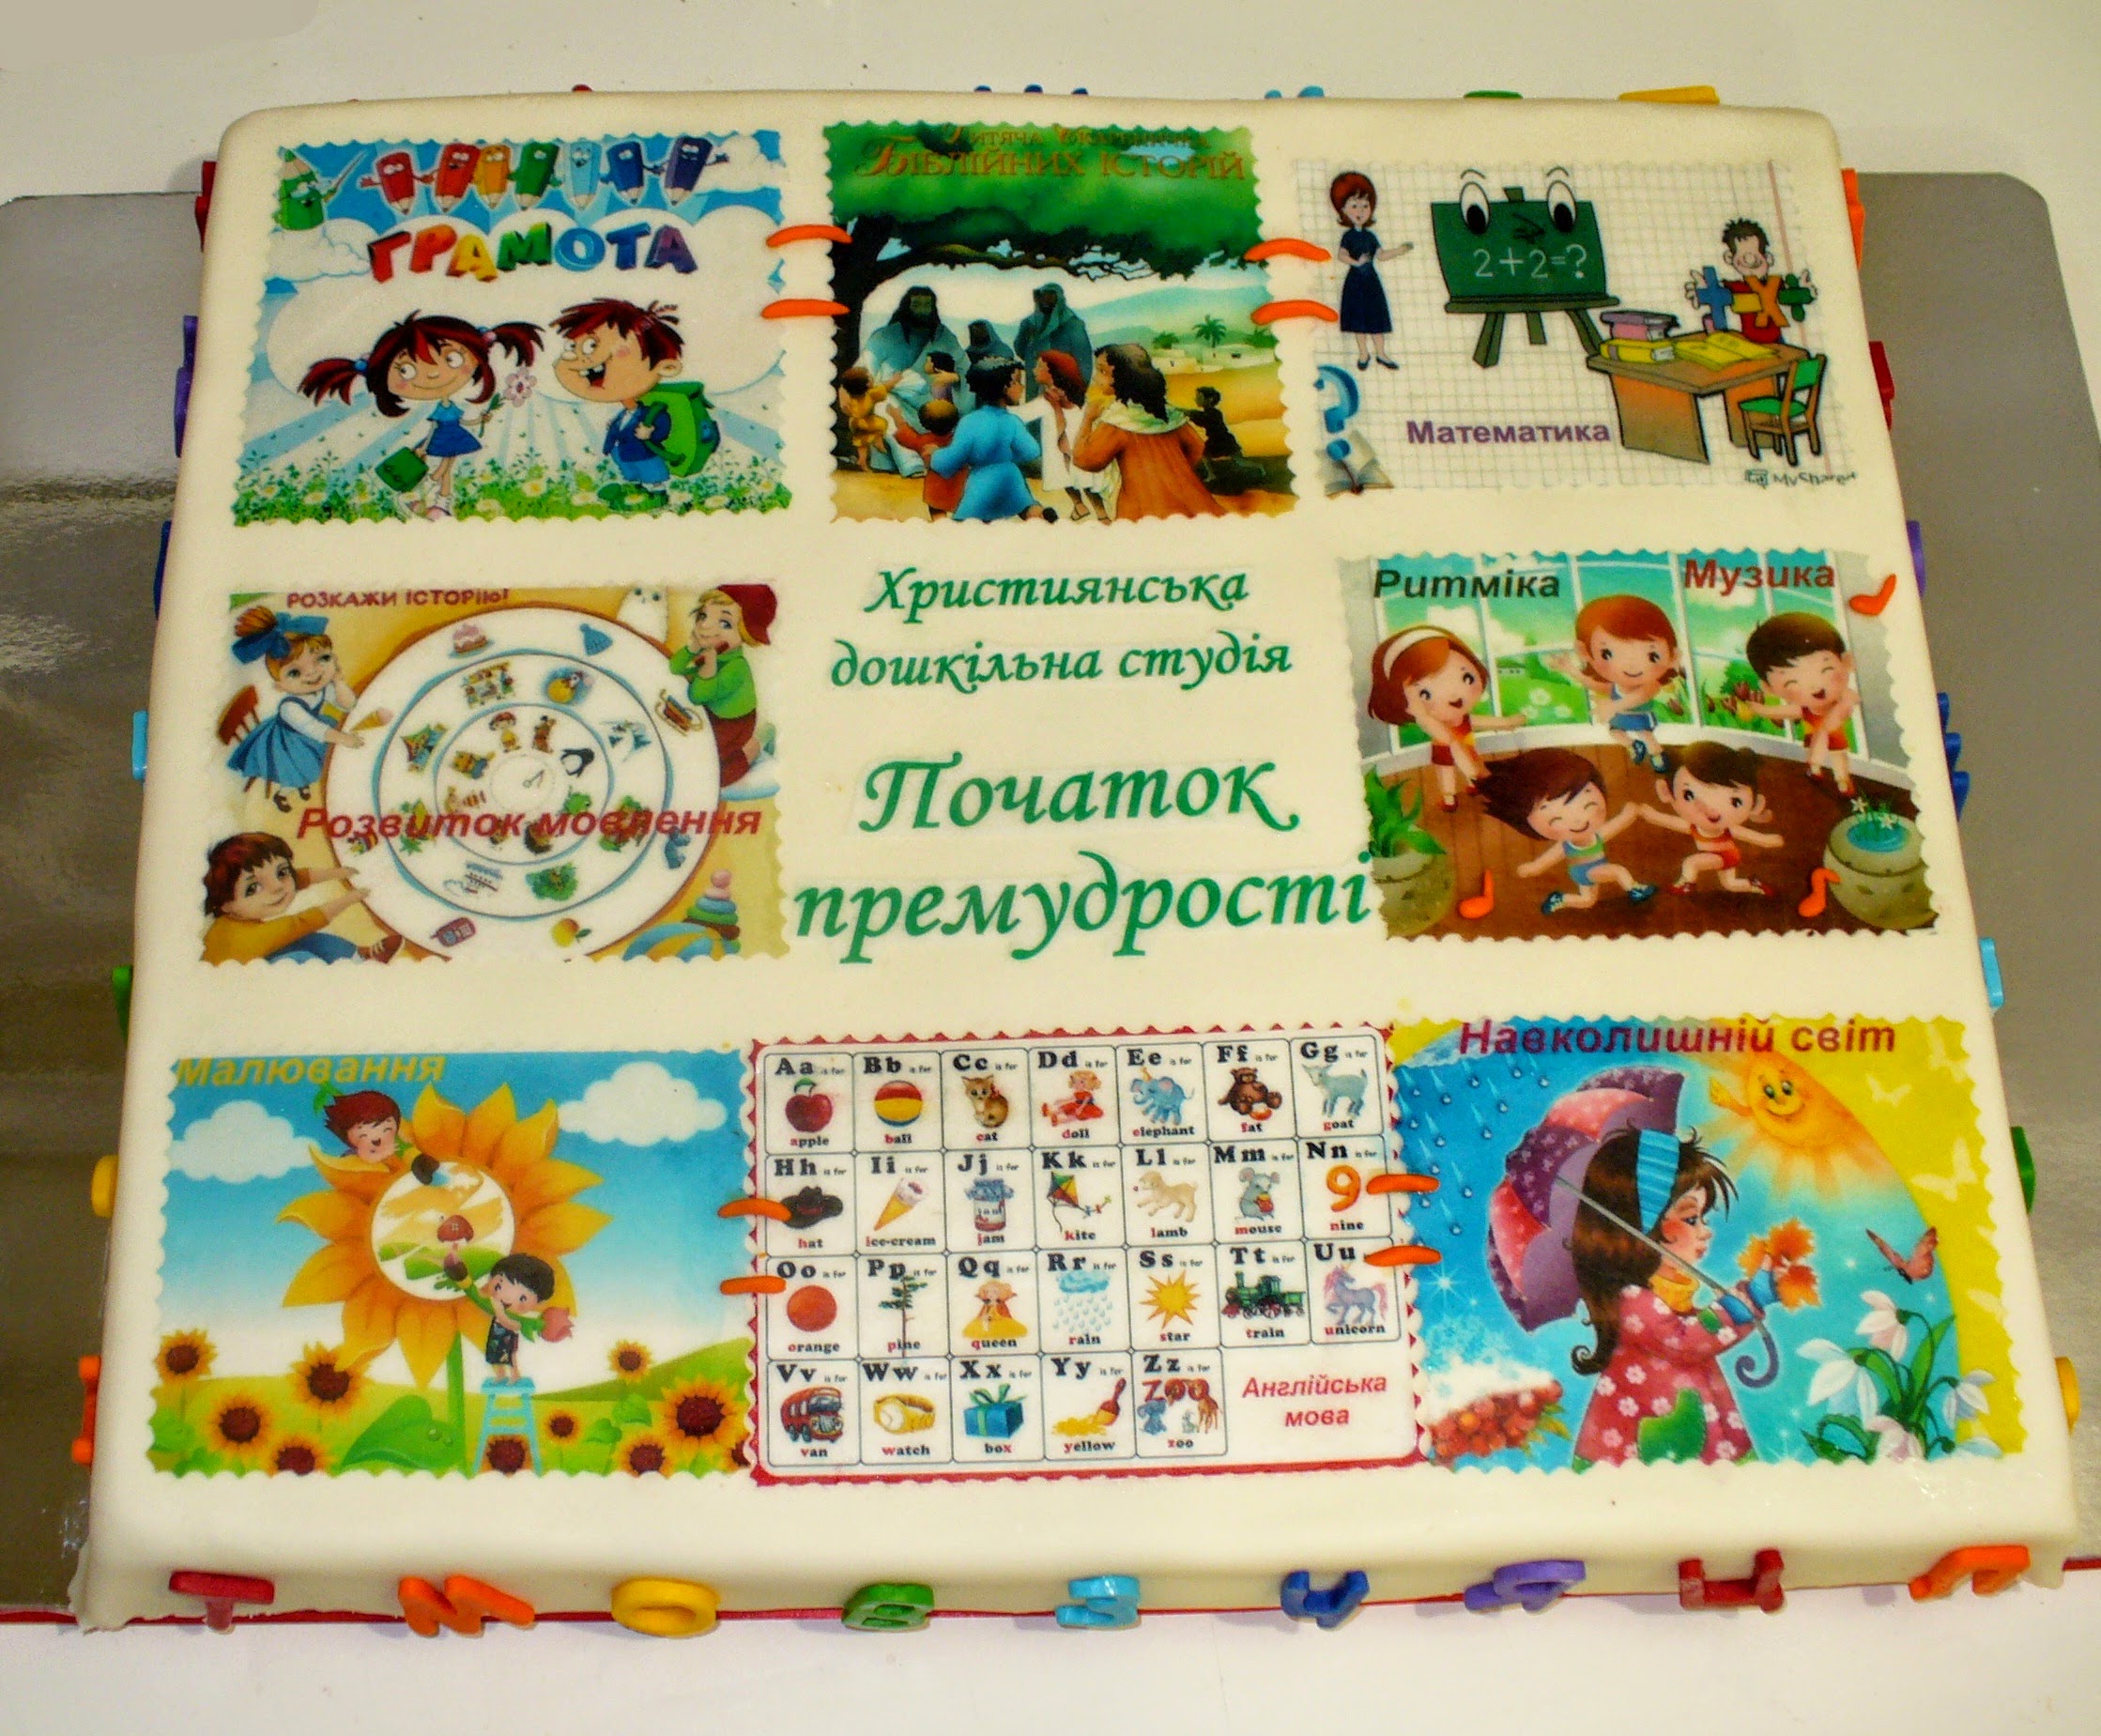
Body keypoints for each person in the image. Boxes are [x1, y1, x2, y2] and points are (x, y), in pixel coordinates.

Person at [1569, 1126, 1761, 1466]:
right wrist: (1746, 1303)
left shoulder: (1668, 1292)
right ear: (1640, 1228)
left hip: (1697, 1424)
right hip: (1647, 1440)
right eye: (1691, 1218)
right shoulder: (1634, 1301)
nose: (1706, 1231)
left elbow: (1692, 1329)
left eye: (1703, 1217)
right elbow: (1685, 1341)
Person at [300, 314, 542, 518]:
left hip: (451, 437)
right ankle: (428, 500)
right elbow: (435, 427)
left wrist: (480, 420)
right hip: (441, 438)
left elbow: (457, 422)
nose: (434, 375)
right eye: (406, 370)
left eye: (452, 359)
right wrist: (424, 447)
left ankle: (441, 503)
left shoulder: (450, 406)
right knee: (438, 468)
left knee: (444, 468)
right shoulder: (441, 409)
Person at [220, 607, 381, 809]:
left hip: (311, 735)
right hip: (287, 745)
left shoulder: (322, 689)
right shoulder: (290, 708)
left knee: (317, 761)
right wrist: (344, 739)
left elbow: (348, 704)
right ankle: (282, 794)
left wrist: (339, 682)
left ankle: (302, 783)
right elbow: (315, 730)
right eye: (295, 673)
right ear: (280, 686)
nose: (312, 673)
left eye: (322, 659)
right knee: (304, 769)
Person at [1365, 625, 1525, 809]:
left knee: (1472, 762)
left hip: (1466, 744)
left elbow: (1477, 721)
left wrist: (1507, 723)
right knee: (1446, 771)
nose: (1455, 697)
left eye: (1467, 678)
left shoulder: (1462, 719)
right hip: (1445, 748)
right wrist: (1421, 714)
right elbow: (1448, 740)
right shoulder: (1432, 723)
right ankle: (1449, 797)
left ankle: (1472, 785)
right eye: (1425, 694)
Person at [1478, 749, 1656, 914]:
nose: (1578, 821)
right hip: (1586, 870)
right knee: (1618, 871)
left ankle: (1560, 899)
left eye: (1588, 805)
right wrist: (1534, 867)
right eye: (1556, 819)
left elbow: (1616, 825)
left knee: (1587, 901)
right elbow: (1549, 858)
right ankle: (1635, 889)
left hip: (1586, 870)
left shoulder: (1594, 835)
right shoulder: (1569, 844)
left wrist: (1627, 814)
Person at [550, 298, 686, 511]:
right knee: (631, 473)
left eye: (592, 346)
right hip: (624, 454)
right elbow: (618, 428)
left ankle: (658, 494)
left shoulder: (653, 411)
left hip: (644, 454)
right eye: (573, 346)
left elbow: (662, 423)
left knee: (651, 473)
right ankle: (635, 491)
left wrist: (651, 432)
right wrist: (610, 441)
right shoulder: (622, 414)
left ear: (665, 367)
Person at [1071, 344, 1219, 522]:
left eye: (1103, 371)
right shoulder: (1167, 413)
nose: (1096, 378)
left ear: (1124, 377)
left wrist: (1088, 419)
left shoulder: (1119, 421)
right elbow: (1197, 450)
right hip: (1190, 502)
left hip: (1142, 508)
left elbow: (1084, 460)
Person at [201, 833, 399, 962]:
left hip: (259, 958)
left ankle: (359, 958)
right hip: (243, 988)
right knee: (300, 959)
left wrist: (339, 873)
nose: (277, 887)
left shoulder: (238, 915)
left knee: (313, 941)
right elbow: (301, 923)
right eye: (253, 888)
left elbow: (297, 878)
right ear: (225, 904)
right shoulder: (249, 936)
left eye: (281, 873)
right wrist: (351, 898)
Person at [1553, 593, 1682, 774]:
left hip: (1641, 716)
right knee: (1614, 732)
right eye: (1607, 654)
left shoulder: (1651, 684)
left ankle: (1657, 755)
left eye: (1652, 656)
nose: (1630, 666)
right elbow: (1596, 685)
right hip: (1620, 716)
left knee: (1645, 734)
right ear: (1585, 653)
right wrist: (1571, 670)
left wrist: (1613, 706)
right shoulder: (1616, 685)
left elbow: (1639, 697)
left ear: (1673, 656)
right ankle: (1633, 745)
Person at [1639, 742, 1784, 896]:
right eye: (1689, 795)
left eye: (1735, 802)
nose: (1712, 810)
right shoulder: (1694, 826)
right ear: (1666, 791)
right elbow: (1671, 822)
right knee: (1731, 885)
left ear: (1755, 805)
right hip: (1719, 856)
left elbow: (1749, 835)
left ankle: (1686, 884)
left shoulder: (1726, 828)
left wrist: (1767, 840)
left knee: (1691, 863)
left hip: (1725, 856)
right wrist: (1651, 815)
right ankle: (1754, 885)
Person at [668, 585, 775, 788]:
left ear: (744, 633)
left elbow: (697, 695)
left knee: (716, 775)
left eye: (725, 623)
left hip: (733, 724)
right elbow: (674, 668)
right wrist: (691, 649)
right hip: (712, 711)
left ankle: (757, 744)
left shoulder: (737, 667)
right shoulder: (714, 653)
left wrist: (708, 667)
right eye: (703, 616)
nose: (705, 626)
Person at [1744, 612, 1860, 793]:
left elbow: (1849, 704)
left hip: (1833, 733)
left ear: (1846, 662)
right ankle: (1815, 769)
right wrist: (1762, 710)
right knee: (1813, 752)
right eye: (1792, 682)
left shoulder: (1844, 698)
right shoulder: (1806, 708)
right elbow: (1785, 711)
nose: (1815, 686)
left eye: (1826, 670)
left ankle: (1842, 780)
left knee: (1838, 755)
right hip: (1814, 734)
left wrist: (1836, 716)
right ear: (1769, 688)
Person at [932, 359, 1055, 522]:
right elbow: (1031, 451)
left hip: (983, 480)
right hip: (1010, 475)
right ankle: (1038, 513)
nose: (1022, 387)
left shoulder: (970, 421)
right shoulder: (1013, 421)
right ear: (1004, 388)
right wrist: (1007, 456)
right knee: (1024, 504)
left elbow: (953, 458)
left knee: (968, 519)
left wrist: (935, 456)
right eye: (1017, 382)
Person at [1329, 171, 1411, 370]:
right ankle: (1363, 354)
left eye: (1365, 205)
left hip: (1372, 283)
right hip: (1355, 282)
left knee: (1376, 320)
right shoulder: (1348, 236)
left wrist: (1399, 251)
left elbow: (1381, 255)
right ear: (1343, 210)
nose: (1361, 211)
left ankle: (1381, 354)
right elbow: (1341, 255)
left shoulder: (1371, 236)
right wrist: (1356, 263)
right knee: (1359, 321)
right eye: (1354, 206)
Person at [1027, 351, 1107, 523]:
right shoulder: (1061, 394)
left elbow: (1023, 414)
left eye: (1039, 366)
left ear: (1053, 372)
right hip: (1062, 442)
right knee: (1067, 474)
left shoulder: (1049, 398)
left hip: (1071, 441)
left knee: (1078, 475)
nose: (1034, 370)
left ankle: (1100, 515)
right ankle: (1081, 506)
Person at [478, 1252, 556, 1384]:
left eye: (522, 1298)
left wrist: (500, 1313)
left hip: (507, 1337)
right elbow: (479, 1294)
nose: (506, 1297)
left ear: (539, 1302)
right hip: (495, 1335)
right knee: (494, 1356)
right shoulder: (494, 1303)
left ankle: (515, 1376)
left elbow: (513, 1325)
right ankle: (500, 1375)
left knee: (510, 1357)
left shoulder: (520, 1318)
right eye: (499, 1286)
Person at [1011, 284, 1093, 399]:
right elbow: (1020, 350)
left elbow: (1084, 361)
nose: (1046, 301)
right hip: (1034, 385)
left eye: (1050, 296)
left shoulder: (1073, 325)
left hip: (1063, 390)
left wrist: (1078, 391)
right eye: (1043, 297)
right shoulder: (1029, 323)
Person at [888, 398, 964, 517]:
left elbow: (906, 435)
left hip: (936, 484)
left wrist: (897, 417)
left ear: (924, 423)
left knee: (936, 510)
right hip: (960, 482)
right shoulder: (959, 440)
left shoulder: (924, 442)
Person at [835, 366, 892, 470]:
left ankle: (862, 460)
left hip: (854, 423)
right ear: (867, 384)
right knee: (882, 424)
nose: (872, 378)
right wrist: (895, 380)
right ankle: (878, 440)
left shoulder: (852, 395)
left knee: (861, 440)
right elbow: (885, 388)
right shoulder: (870, 394)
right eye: (869, 378)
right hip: (865, 421)